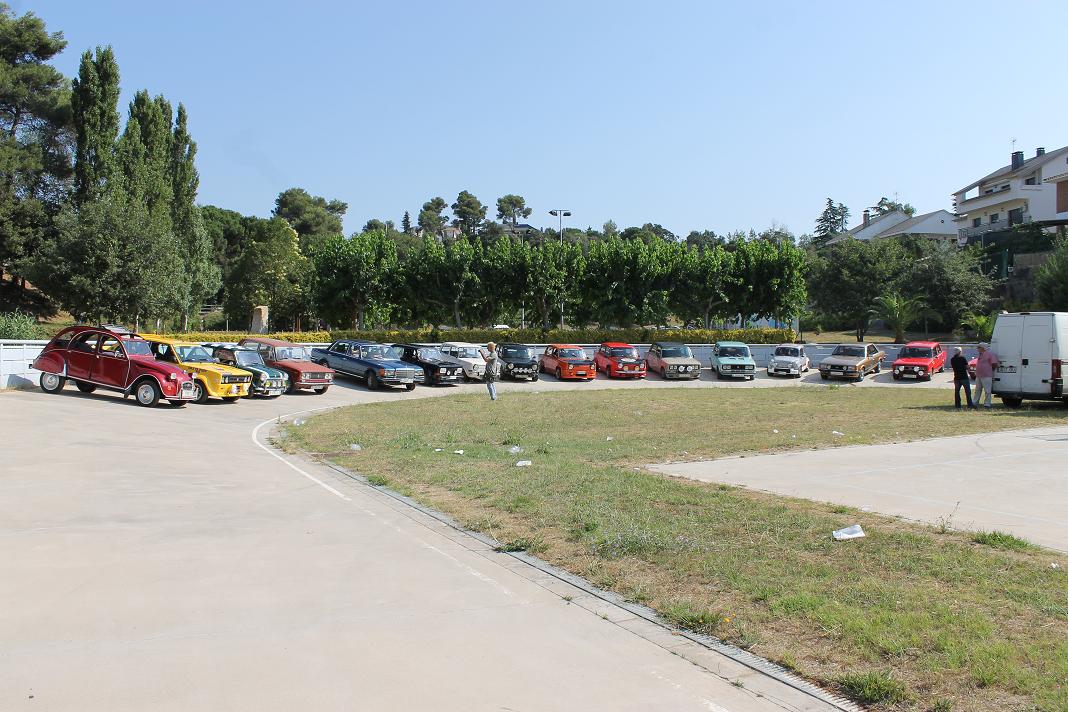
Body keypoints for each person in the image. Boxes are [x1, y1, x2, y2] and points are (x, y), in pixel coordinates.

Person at [973, 342, 998, 409]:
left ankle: (987, 404)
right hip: (979, 375)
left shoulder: (990, 353)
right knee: (977, 390)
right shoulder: (980, 354)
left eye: (979, 347)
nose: (977, 349)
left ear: (983, 348)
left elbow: (994, 363)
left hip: (987, 375)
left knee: (987, 391)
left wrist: (989, 370)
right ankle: (975, 403)